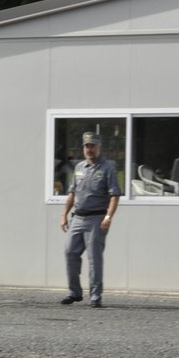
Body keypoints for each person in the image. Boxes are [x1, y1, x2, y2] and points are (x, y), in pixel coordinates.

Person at [59, 131, 119, 307]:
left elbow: (114, 195)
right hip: (78, 217)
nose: (89, 149)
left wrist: (108, 216)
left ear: (99, 147)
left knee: (94, 258)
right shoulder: (79, 168)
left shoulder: (108, 168)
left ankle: (95, 296)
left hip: (96, 218)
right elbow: (72, 193)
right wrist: (64, 214)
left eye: (92, 145)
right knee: (70, 252)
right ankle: (74, 292)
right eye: (86, 146)